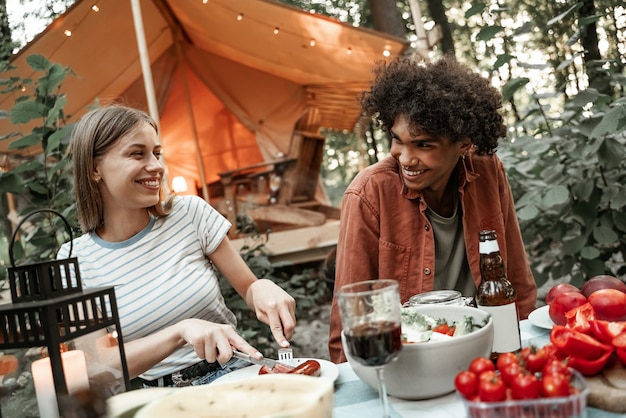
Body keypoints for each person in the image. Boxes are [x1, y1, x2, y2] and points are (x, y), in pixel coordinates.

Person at [57, 104, 296, 386]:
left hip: (233, 377)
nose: (157, 166)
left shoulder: (190, 213)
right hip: (160, 401)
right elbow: (98, 365)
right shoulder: (74, 260)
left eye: (157, 153)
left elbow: (248, 287)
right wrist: (180, 331)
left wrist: (262, 287)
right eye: (137, 153)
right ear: (94, 169)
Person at [328, 55, 537, 363]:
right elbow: (349, 318)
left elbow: (517, 279)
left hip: (489, 349)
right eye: (397, 140)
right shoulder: (369, 193)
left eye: (423, 145)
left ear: (464, 143)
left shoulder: (488, 172)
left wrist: (520, 352)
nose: (405, 158)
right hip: (413, 362)